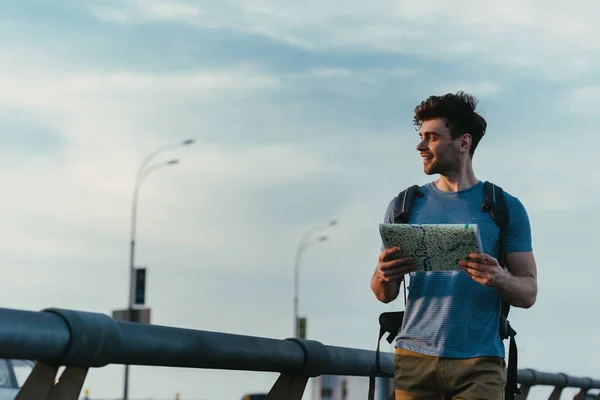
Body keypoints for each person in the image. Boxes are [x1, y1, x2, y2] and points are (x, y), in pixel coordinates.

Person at [370, 91, 538, 399]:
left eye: (431, 137)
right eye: (421, 136)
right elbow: (385, 295)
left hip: (480, 363)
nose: (420, 146)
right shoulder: (403, 205)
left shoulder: (505, 207)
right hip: (413, 359)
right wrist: (383, 276)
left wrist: (500, 278)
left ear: (463, 142)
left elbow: (528, 293)